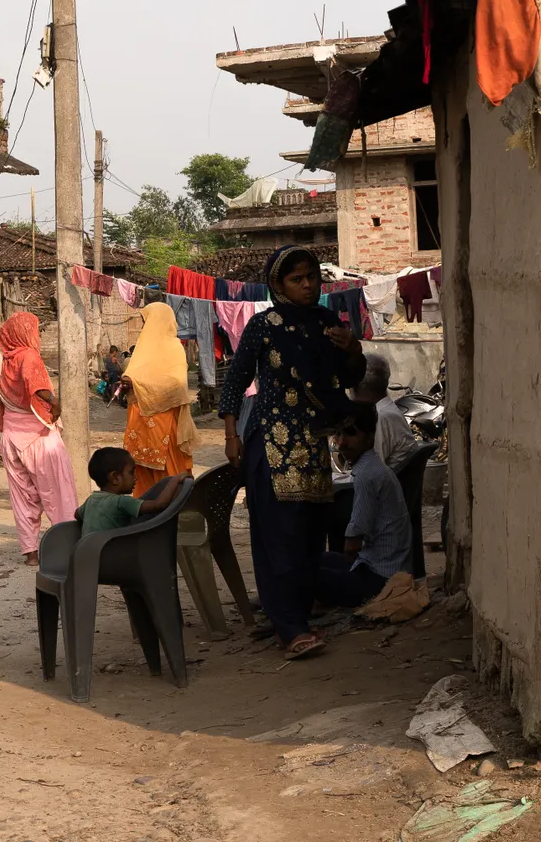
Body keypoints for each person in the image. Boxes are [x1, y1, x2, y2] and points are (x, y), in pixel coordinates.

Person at [219, 246, 365, 660]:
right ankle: (290, 628)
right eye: (296, 279)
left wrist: (352, 349)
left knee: (307, 537)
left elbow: (348, 377)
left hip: (313, 444)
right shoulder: (264, 325)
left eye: (312, 278)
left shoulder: (326, 322)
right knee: (278, 537)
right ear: (278, 285)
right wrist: (232, 435)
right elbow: (235, 382)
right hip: (272, 445)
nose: (307, 286)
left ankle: (295, 615)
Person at [0, 311, 79, 566]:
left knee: (22, 498)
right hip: (39, 436)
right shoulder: (28, 356)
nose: (38, 334)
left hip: (10, 435)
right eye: (36, 329)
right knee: (59, 492)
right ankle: (67, 549)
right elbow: (36, 387)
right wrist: (55, 403)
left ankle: (31, 553)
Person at [317, 402, 412, 606]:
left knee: (306, 575)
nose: (341, 443)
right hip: (381, 566)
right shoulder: (372, 467)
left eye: (350, 434)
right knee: (317, 561)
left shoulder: (367, 475)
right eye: (338, 434)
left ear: (369, 437)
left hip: (380, 579)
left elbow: (353, 542)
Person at [119, 303, 197, 497]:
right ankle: (146, 520)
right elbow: (137, 378)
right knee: (141, 478)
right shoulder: (142, 350)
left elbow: (176, 386)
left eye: (147, 321)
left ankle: (171, 516)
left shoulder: (174, 349)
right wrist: (130, 383)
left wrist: (140, 383)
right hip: (140, 425)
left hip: (165, 425)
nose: (145, 326)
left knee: (170, 479)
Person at [80, 447, 190, 536]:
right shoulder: (121, 502)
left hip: (87, 552)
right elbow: (159, 504)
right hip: (110, 554)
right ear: (115, 478)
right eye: (131, 472)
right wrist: (175, 480)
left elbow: (77, 514)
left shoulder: (91, 499)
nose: (135, 478)